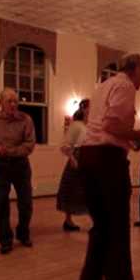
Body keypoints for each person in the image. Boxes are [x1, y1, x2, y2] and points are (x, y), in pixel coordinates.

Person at [76, 53, 140, 280]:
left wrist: (133, 138)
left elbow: (106, 127)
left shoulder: (102, 86)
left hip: (88, 156)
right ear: (134, 70)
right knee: (117, 224)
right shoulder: (125, 85)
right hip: (107, 160)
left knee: (101, 225)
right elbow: (112, 126)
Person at [0, 87, 36, 254]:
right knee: (1, 204)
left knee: (26, 204)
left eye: (15, 101)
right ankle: (5, 241)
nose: (13, 104)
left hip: (21, 166)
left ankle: (23, 233)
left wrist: (9, 151)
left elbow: (29, 145)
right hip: (0, 167)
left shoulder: (26, 119)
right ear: (0, 103)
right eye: (9, 101)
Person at [56, 99, 90, 232]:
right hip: (77, 159)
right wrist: (72, 159)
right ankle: (68, 221)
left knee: (89, 190)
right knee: (71, 190)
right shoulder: (76, 125)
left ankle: (95, 220)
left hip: (89, 158)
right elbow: (65, 145)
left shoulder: (91, 125)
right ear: (85, 109)